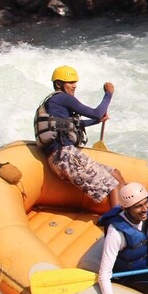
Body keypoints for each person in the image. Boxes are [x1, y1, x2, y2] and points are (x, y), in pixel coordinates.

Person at [34, 65, 125, 207]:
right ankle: (119, 223)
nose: (74, 86)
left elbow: (71, 125)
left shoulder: (54, 105)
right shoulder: (62, 98)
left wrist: (96, 121)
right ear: (58, 84)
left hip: (66, 155)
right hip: (64, 156)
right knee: (112, 185)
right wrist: (108, 94)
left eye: (75, 82)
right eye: (70, 82)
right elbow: (96, 112)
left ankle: (132, 212)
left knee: (115, 174)